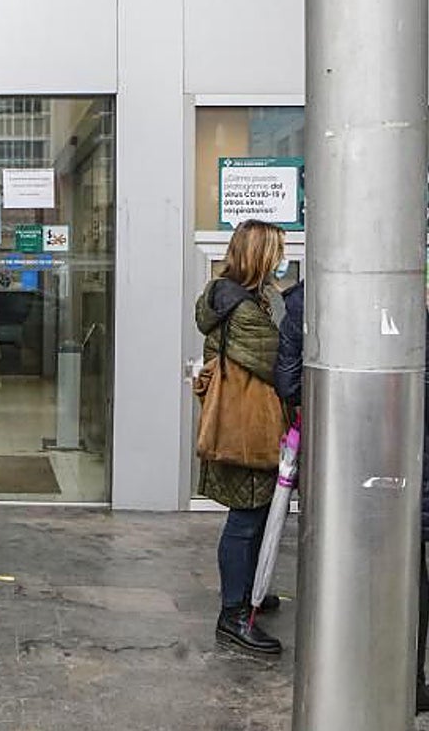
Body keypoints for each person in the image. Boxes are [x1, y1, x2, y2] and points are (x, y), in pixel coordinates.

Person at [276, 281, 429, 711]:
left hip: (339, 457)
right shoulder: (408, 291)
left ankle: (344, 666)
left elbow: (287, 381)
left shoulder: (304, 301)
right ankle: (404, 676)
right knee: (406, 563)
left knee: (341, 555)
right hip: (405, 451)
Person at [194, 219, 287, 656]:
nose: (282, 259)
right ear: (259, 255)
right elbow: (278, 363)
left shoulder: (239, 298)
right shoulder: (242, 309)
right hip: (247, 429)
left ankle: (248, 591)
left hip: (245, 425)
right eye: (276, 251)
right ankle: (232, 615)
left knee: (256, 513)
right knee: (246, 520)